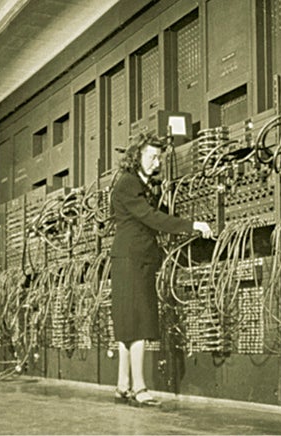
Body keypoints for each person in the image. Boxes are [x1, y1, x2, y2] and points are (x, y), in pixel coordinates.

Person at [110, 133, 213, 407]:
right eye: (151, 157)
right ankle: (140, 388)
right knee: (139, 322)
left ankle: (123, 384)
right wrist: (192, 225)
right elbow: (150, 217)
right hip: (132, 258)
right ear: (136, 157)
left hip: (134, 258)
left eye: (159, 158)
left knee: (128, 323)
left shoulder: (140, 185)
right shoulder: (128, 184)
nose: (156, 163)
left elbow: (156, 212)